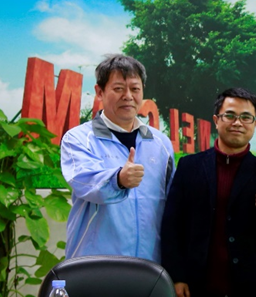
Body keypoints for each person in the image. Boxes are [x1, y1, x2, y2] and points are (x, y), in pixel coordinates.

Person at [160, 88, 256, 297]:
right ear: (216, 120)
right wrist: (176, 276)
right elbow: (171, 226)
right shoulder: (189, 167)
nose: (238, 123)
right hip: (198, 288)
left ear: (255, 124)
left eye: (246, 117)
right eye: (230, 115)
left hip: (251, 289)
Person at [61, 54, 175, 262]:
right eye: (119, 88)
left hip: (150, 264)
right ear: (99, 92)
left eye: (135, 89)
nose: (128, 96)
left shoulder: (161, 144)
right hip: (95, 265)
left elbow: (173, 204)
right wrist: (118, 180)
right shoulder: (78, 139)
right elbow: (85, 182)